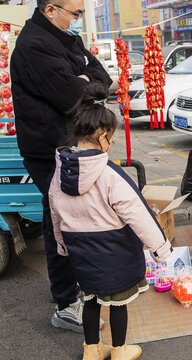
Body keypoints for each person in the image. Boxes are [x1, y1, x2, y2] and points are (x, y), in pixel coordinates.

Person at [49, 82, 173, 360]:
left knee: (91, 299)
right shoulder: (109, 174)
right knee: (118, 303)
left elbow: (54, 213)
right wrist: (161, 249)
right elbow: (138, 213)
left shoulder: (59, 172)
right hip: (114, 251)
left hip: (81, 252)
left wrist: (63, 246)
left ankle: (91, 352)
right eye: (112, 138)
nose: (112, 143)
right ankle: (119, 351)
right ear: (103, 136)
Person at [10, 0, 112, 332]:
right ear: (51, 10)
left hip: (70, 146)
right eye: (75, 14)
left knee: (70, 218)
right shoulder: (33, 45)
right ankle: (66, 304)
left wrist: (85, 80)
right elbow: (75, 96)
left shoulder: (65, 38)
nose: (78, 20)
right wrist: (82, 82)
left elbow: (102, 79)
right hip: (47, 150)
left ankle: (73, 288)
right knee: (62, 222)